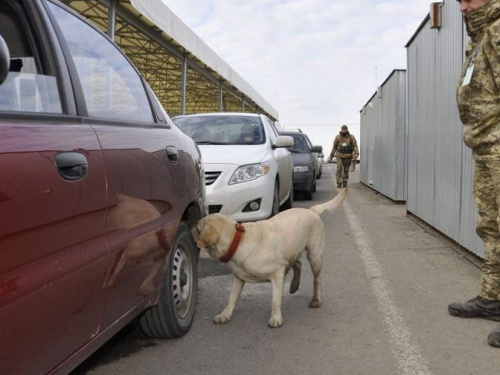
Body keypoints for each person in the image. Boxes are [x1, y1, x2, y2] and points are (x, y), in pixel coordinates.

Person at [448, 0, 500, 348]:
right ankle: (492, 298)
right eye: (459, 1)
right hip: (484, 145)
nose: (463, 7)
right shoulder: (480, 38)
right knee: (491, 224)